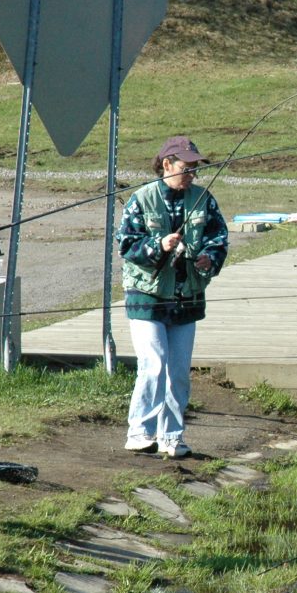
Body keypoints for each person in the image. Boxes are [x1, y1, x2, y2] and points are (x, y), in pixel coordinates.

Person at [117, 136, 228, 458]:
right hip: (146, 298)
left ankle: (172, 437)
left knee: (178, 371)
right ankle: (139, 431)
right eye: (186, 167)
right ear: (166, 165)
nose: (192, 173)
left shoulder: (204, 200)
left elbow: (218, 239)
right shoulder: (142, 199)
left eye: (195, 168)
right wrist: (158, 246)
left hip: (187, 298)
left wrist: (210, 259)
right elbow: (127, 246)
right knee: (153, 364)